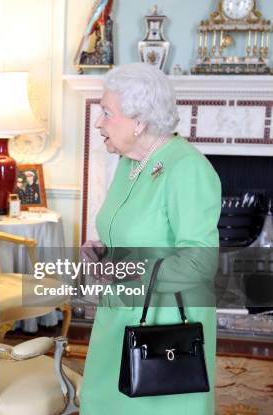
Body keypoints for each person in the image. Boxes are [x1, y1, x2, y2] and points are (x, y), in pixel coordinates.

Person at [79, 63, 220, 414]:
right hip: (121, 315)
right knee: (105, 401)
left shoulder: (187, 167)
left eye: (107, 113)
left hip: (166, 325)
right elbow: (137, 230)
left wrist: (129, 271)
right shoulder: (130, 163)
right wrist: (104, 249)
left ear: (139, 121)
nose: (98, 123)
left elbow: (200, 261)